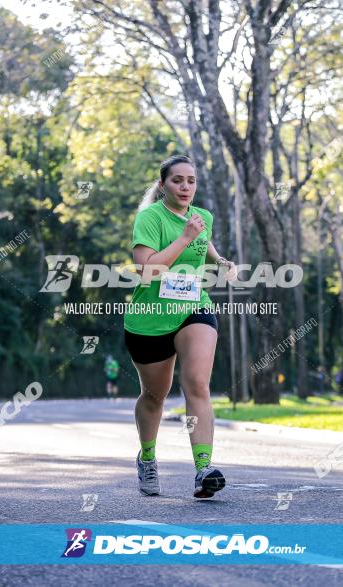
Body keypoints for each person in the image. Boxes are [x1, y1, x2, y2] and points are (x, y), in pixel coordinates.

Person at [123, 154, 237, 499]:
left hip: (193, 308)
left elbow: (204, 240)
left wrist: (218, 259)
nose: (186, 186)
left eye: (191, 180)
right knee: (154, 396)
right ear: (163, 185)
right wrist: (184, 238)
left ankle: (204, 469)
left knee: (197, 385)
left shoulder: (202, 217)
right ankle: (147, 457)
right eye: (177, 180)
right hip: (151, 318)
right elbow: (146, 270)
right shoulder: (150, 218)